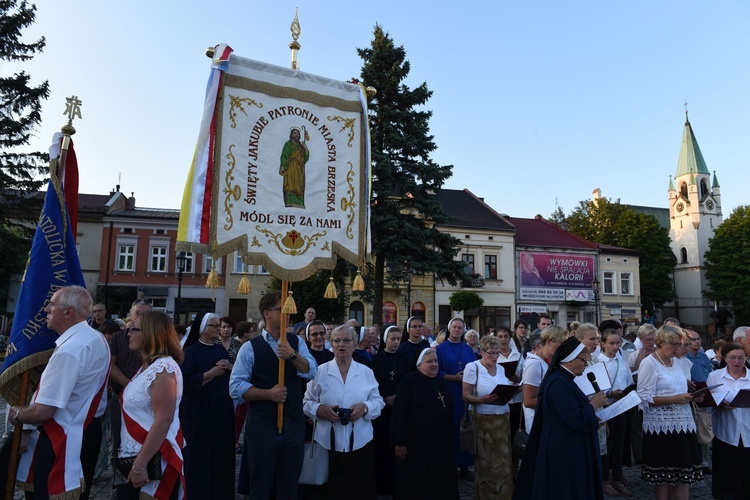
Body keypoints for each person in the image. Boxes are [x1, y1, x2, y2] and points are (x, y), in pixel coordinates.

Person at [4, 286, 109, 499]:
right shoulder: (95, 338)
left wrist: (17, 415)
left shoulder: (71, 349)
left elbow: (44, 410)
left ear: (68, 312)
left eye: (52, 304)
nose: (46, 310)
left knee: (48, 493)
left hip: (64, 434)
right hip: (85, 431)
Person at [229, 291, 317, 499]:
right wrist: (268, 394)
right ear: (267, 313)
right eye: (282, 309)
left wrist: (292, 356)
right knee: (261, 483)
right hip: (263, 425)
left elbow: (311, 371)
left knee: (288, 485)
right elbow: (235, 386)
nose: (287, 312)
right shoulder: (250, 348)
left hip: (293, 424)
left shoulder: (296, 342)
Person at [513, 337, 608, 500]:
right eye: (583, 360)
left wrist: (593, 419)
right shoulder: (559, 383)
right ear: (570, 360)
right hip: (564, 450)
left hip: (569, 444)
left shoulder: (565, 379)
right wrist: (594, 404)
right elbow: (575, 418)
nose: (586, 364)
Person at [303, 325, 384, 499]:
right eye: (336, 340)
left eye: (347, 340)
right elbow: (306, 402)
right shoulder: (320, 371)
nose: (342, 345)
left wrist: (364, 408)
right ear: (330, 344)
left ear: (355, 344)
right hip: (327, 444)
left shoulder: (366, 372)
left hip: (360, 443)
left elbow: (378, 401)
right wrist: (320, 410)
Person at [114, 309, 185, 499]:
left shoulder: (163, 368)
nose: (128, 334)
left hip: (153, 463)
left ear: (151, 333)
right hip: (134, 458)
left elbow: (164, 419)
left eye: (134, 330)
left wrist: (139, 465)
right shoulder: (146, 367)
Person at [637, 325, 703, 500]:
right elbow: (644, 398)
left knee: (683, 475)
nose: (678, 348)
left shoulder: (678, 362)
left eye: (679, 344)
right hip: (660, 428)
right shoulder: (649, 363)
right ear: (661, 342)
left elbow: (680, 389)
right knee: (663, 478)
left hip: (683, 424)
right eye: (674, 344)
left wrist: (693, 397)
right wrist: (675, 399)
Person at [179, 312, 235, 499]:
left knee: (221, 458)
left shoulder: (220, 349)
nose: (219, 328)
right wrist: (210, 374)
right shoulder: (190, 352)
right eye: (214, 325)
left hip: (221, 414)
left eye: (219, 325)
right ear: (203, 329)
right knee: (200, 458)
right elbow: (184, 384)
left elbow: (231, 377)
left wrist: (230, 367)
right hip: (199, 414)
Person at [391, 348, 459, 499]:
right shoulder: (408, 383)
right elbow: (399, 415)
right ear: (418, 365)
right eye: (429, 362)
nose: (434, 365)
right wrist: (400, 442)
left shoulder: (439, 380)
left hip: (440, 443)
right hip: (417, 444)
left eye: (435, 361)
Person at [463, 335, 515, 499]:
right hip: (484, 420)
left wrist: (515, 389)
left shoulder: (500, 368)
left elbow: (504, 386)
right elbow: (465, 396)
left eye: (497, 353)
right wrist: (480, 399)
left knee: (503, 462)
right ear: (482, 351)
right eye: (491, 353)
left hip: (502, 419)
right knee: (488, 463)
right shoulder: (473, 367)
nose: (494, 357)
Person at [109, 299, 153, 473]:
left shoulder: (153, 340)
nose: (140, 317)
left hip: (146, 400)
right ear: (130, 315)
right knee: (118, 440)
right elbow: (110, 365)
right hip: (120, 394)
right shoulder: (118, 337)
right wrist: (128, 383)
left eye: (145, 314)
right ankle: (119, 478)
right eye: (137, 313)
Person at [436, 317, 478, 479]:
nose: (457, 330)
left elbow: (475, 367)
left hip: (466, 395)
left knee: (465, 429)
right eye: (454, 327)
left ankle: (465, 466)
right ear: (449, 328)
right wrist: (454, 377)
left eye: (460, 328)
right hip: (450, 393)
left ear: (463, 330)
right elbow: (437, 372)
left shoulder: (467, 348)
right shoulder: (441, 349)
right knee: (451, 429)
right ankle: (450, 465)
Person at [707, 342, 750, 499]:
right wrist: (719, 403)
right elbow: (707, 404)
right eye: (732, 358)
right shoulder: (714, 377)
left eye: (741, 358)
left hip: (748, 434)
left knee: (746, 479)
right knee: (725, 479)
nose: (737, 362)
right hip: (725, 434)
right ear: (724, 358)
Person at [598, 328, 635, 497]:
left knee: (619, 443)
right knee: (607, 445)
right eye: (611, 343)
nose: (615, 346)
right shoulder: (598, 362)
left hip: (621, 406)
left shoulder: (621, 361)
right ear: (603, 344)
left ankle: (617, 476)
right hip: (606, 407)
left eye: (617, 343)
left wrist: (626, 393)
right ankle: (605, 478)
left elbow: (628, 381)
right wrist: (610, 393)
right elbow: (596, 388)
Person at [371, 325, 401, 495]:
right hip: (381, 410)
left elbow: (406, 381)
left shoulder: (404, 358)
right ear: (385, 340)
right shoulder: (377, 359)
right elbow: (372, 383)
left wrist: (397, 397)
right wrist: (384, 399)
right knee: (382, 447)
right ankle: (382, 484)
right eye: (392, 339)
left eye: (398, 339)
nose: (396, 342)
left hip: (398, 408)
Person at [522, 325, 567, 430]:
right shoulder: (534, 364)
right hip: (538, 422)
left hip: (550, 420)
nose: (563, 347)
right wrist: (558, 403)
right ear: (548, 342)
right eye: (561, 343)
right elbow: (528, 401)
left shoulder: (552, 361)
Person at [279, 126, 310, 207]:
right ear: (291, 135)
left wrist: (305, 149)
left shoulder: (301, 146)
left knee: (299, 187)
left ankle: (299, 203)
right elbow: (284, 156)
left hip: (300, 170)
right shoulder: (288, 144)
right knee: (290, 186)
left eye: (297, 133)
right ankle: (289, 202)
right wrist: (283, 166)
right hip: (291, 169)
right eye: (294, 133)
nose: (296, 135)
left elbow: (305, 159)